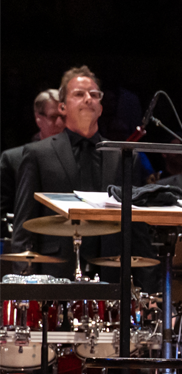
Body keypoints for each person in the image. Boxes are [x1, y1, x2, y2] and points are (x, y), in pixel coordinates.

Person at [9, 66, 153, 274]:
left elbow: (137, 228)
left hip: (111, 272)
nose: (88, 99)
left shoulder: (123, 156)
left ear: (101, 107)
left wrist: (149, 288)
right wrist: (25, 284)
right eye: (79, 94)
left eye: (94, 95)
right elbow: (24, 225)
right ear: (62, 107)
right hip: (55, 272)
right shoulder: (37, 154)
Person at [1, 90, 65, 228]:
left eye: (63, 117)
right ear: (38, 118)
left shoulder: (78, 157)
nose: (60, 123)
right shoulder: (13, 159)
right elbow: (4, 213)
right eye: (53, 116)